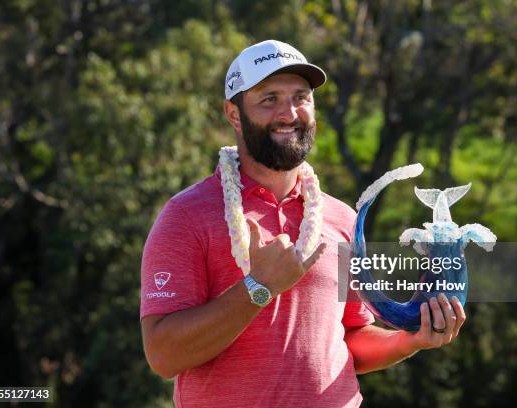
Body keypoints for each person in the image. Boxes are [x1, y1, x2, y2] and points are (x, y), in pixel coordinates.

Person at [140, 40, 466, 408]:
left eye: (301, 97)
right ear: (233, 114)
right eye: (269, 99)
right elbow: (163, 355)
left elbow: (350, 337)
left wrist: (412, 340)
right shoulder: (185, 216)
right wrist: (259, 287)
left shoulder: (342, 218)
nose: (289, 113)